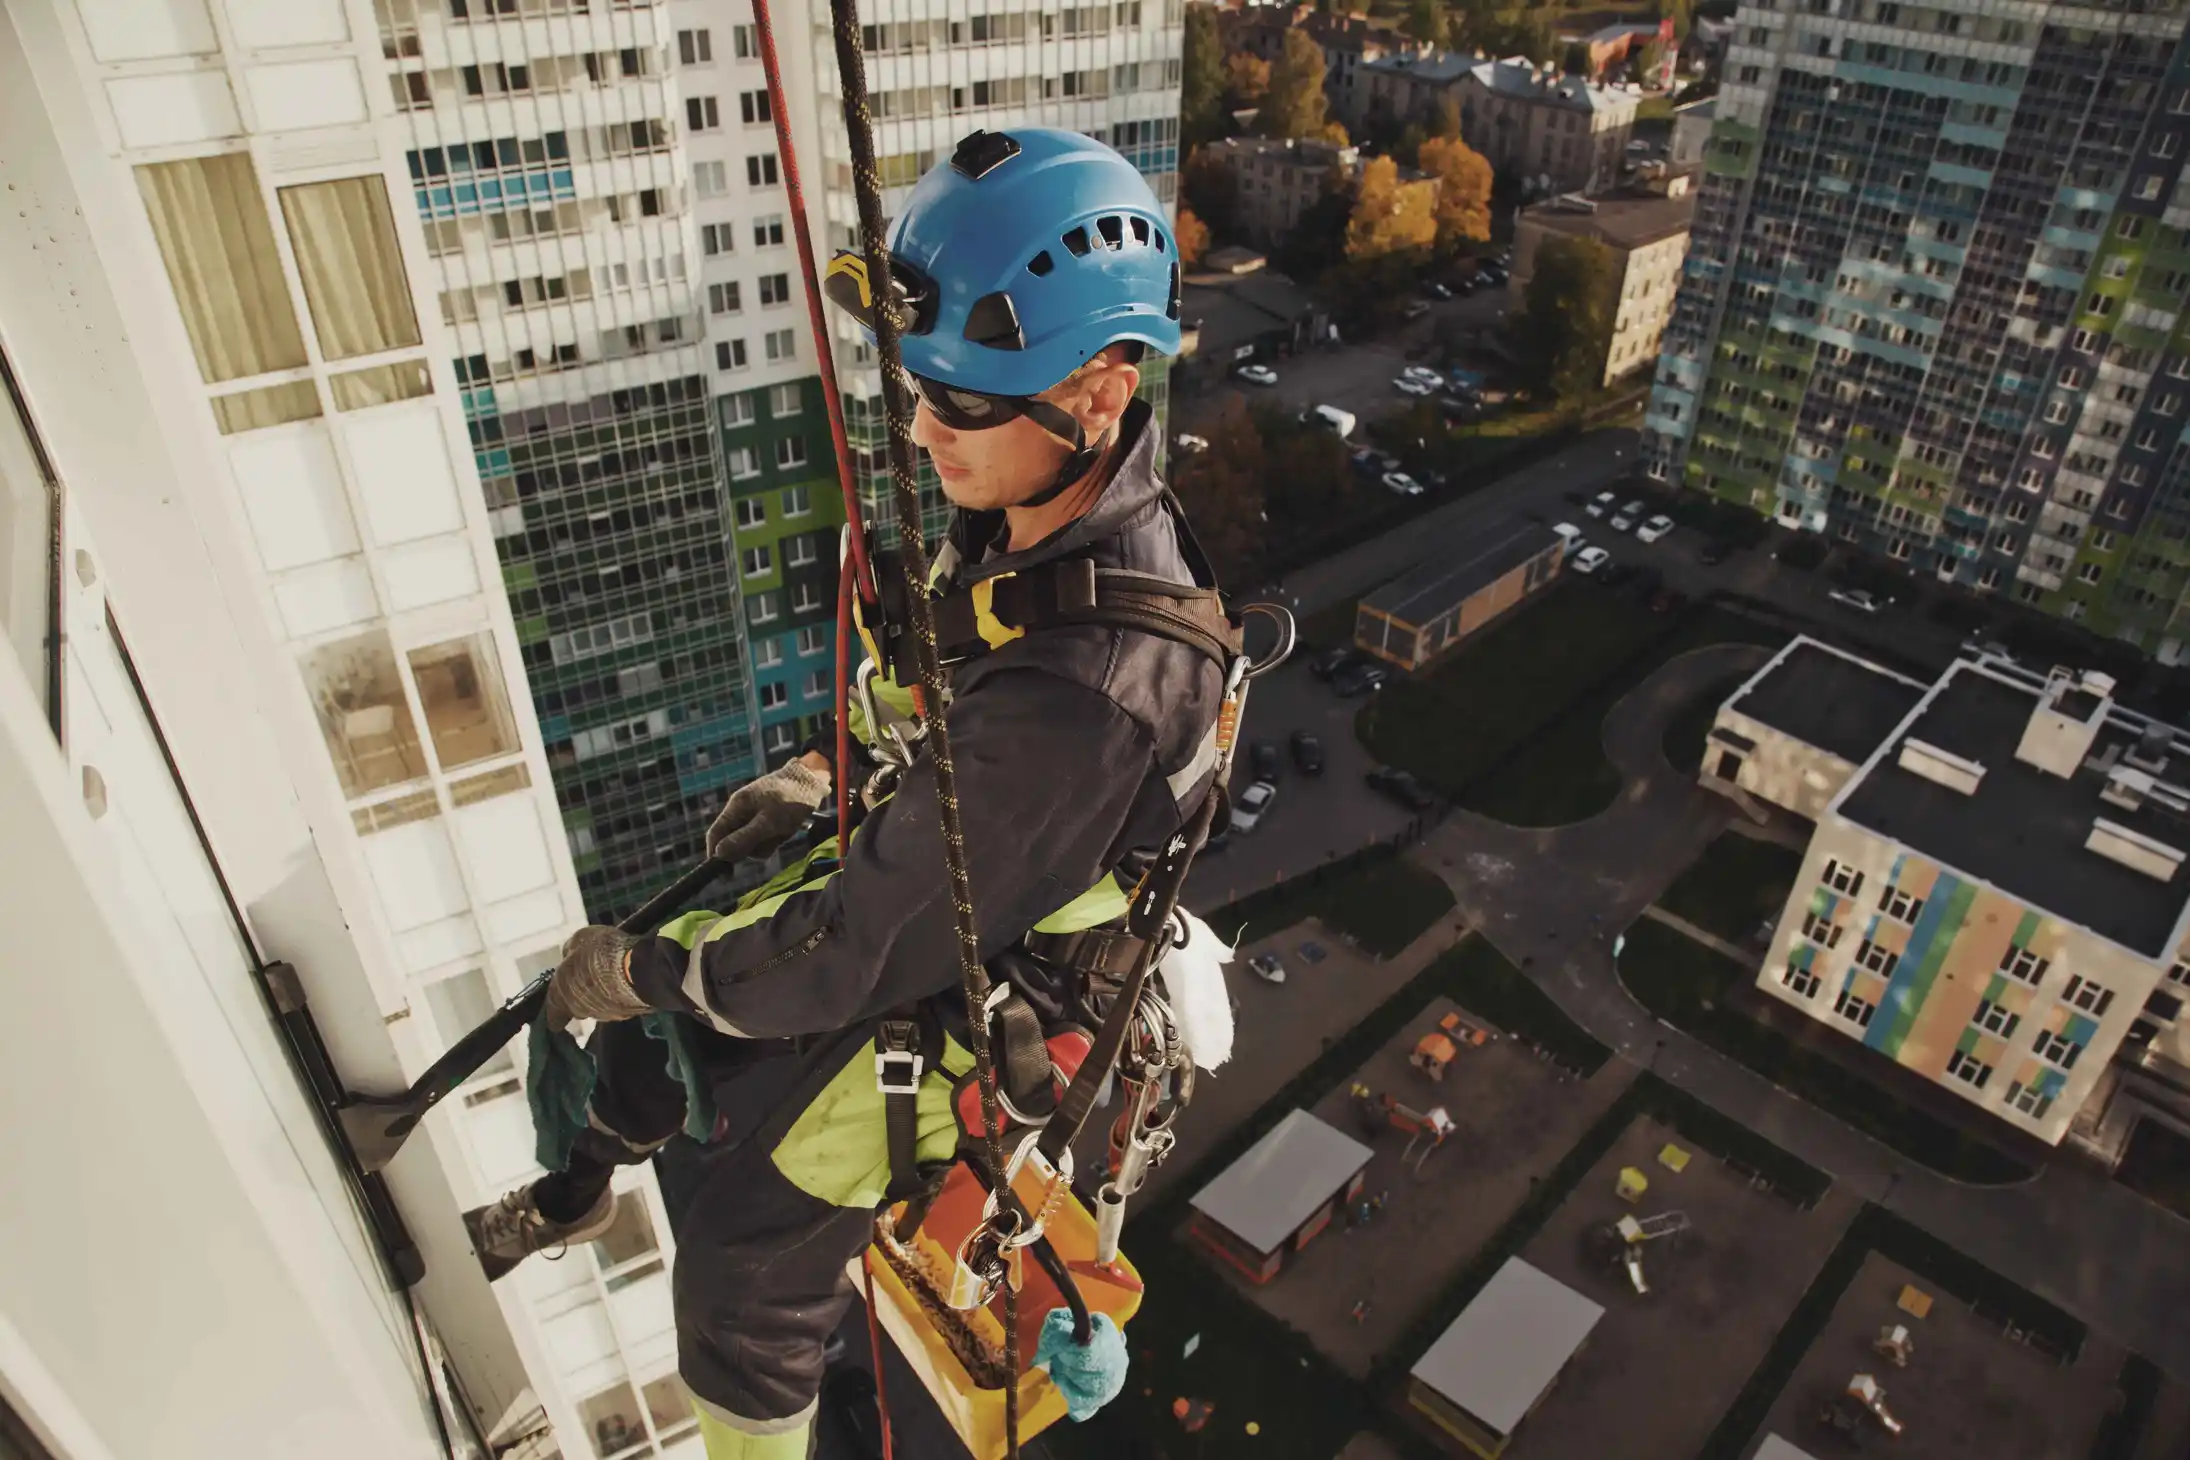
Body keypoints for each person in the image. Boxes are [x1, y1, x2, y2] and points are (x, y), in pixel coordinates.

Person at [464, 128, 1227, 1458]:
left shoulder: (1091, 690)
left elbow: (851, 948)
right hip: (923, 897)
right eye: (922, 387)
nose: (924, 430)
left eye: (964, 403)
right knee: (645, 1041)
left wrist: (646, 969)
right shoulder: (1028, 527)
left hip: (967, 996)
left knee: (743, 1272)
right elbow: (933, 715)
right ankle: (576, 1193)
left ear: (1100, 394)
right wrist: (823, 775)